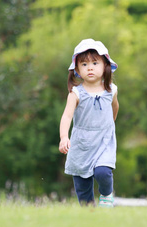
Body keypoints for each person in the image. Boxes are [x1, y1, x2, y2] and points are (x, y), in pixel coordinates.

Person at [59, 39, 119, 208]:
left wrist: (108, 126)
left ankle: (107, 195)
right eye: (84, 64)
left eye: (94, 63)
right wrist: (64, 137)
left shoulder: (111, 90)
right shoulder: (76, 93)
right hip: (81, 142)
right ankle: (89, 216)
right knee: (83, 188)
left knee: (103, 171)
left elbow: (114, 107)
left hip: (104, 140)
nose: (90, 67)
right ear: (77, 69)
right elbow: (66, 117)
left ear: (105, 66)